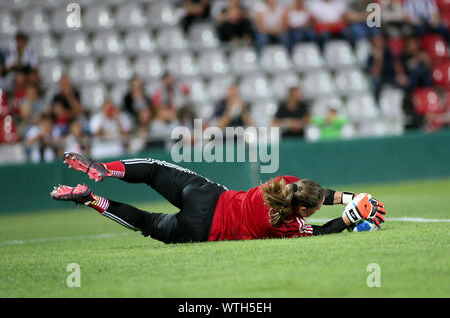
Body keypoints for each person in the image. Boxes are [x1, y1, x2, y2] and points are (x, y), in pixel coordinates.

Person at [51, 152, 386, 244]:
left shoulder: (285, 183)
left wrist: (350, 197)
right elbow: (324, 230)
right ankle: (92, 200)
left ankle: (104, 169)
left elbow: (315, 193)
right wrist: (350, 215)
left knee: (152, 170)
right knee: (147, 223)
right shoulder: (285, 227)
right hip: (201, 230)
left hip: (206, 196)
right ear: (302, 211)